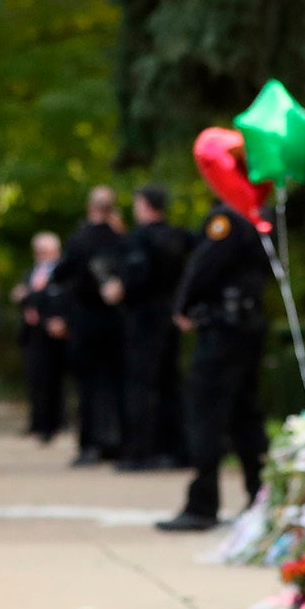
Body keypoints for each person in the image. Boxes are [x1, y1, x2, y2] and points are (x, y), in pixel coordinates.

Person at [158, 201, 272, 531]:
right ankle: (259, 494)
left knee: (206, 412)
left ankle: (203, 503)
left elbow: (205, 264)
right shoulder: (259, 213)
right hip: (245, 326)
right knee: (244, 413)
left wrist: (183, 304)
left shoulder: (227, 217)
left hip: (223, 330)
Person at [117, 186, 194, 469]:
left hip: (143, 320)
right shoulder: (178, 236)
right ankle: (177, 450)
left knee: (140, 385)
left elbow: (136, 278)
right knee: (170, 383)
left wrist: (122, 288)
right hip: (170, 317)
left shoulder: (139, 239)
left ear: (145, 205)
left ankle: (140, 452)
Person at [51, 186, 126, 465]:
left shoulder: (79, 240)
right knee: (116, 382)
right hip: (115, 322)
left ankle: (90, 444)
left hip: (86, 322)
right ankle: (117, 440)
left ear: (90, 207)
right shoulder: (121, 239)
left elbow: (60, 274)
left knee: (88, 385)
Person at [13, 232, 67, 441]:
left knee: (54, 380)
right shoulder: (30, 273)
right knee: (35, 378)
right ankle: (37, 422)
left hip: (53, 332)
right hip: (32, 333)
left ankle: (54, 423)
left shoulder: (61, 273)